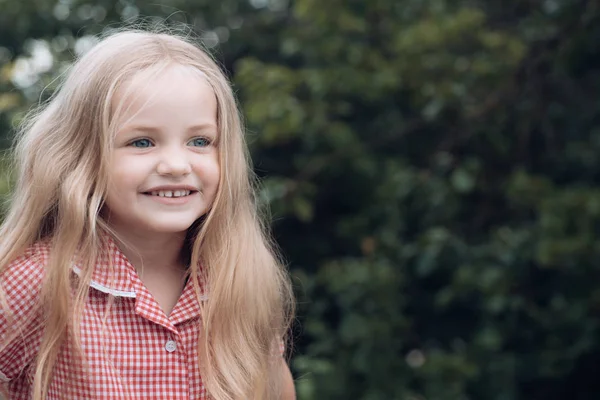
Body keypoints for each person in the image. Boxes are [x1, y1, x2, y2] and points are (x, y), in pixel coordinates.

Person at [0, 28, 295, 400]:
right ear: (80, 156)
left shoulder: (241, 278)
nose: (175, 164)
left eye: (200, 141)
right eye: (142, 142)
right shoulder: (33, 282)